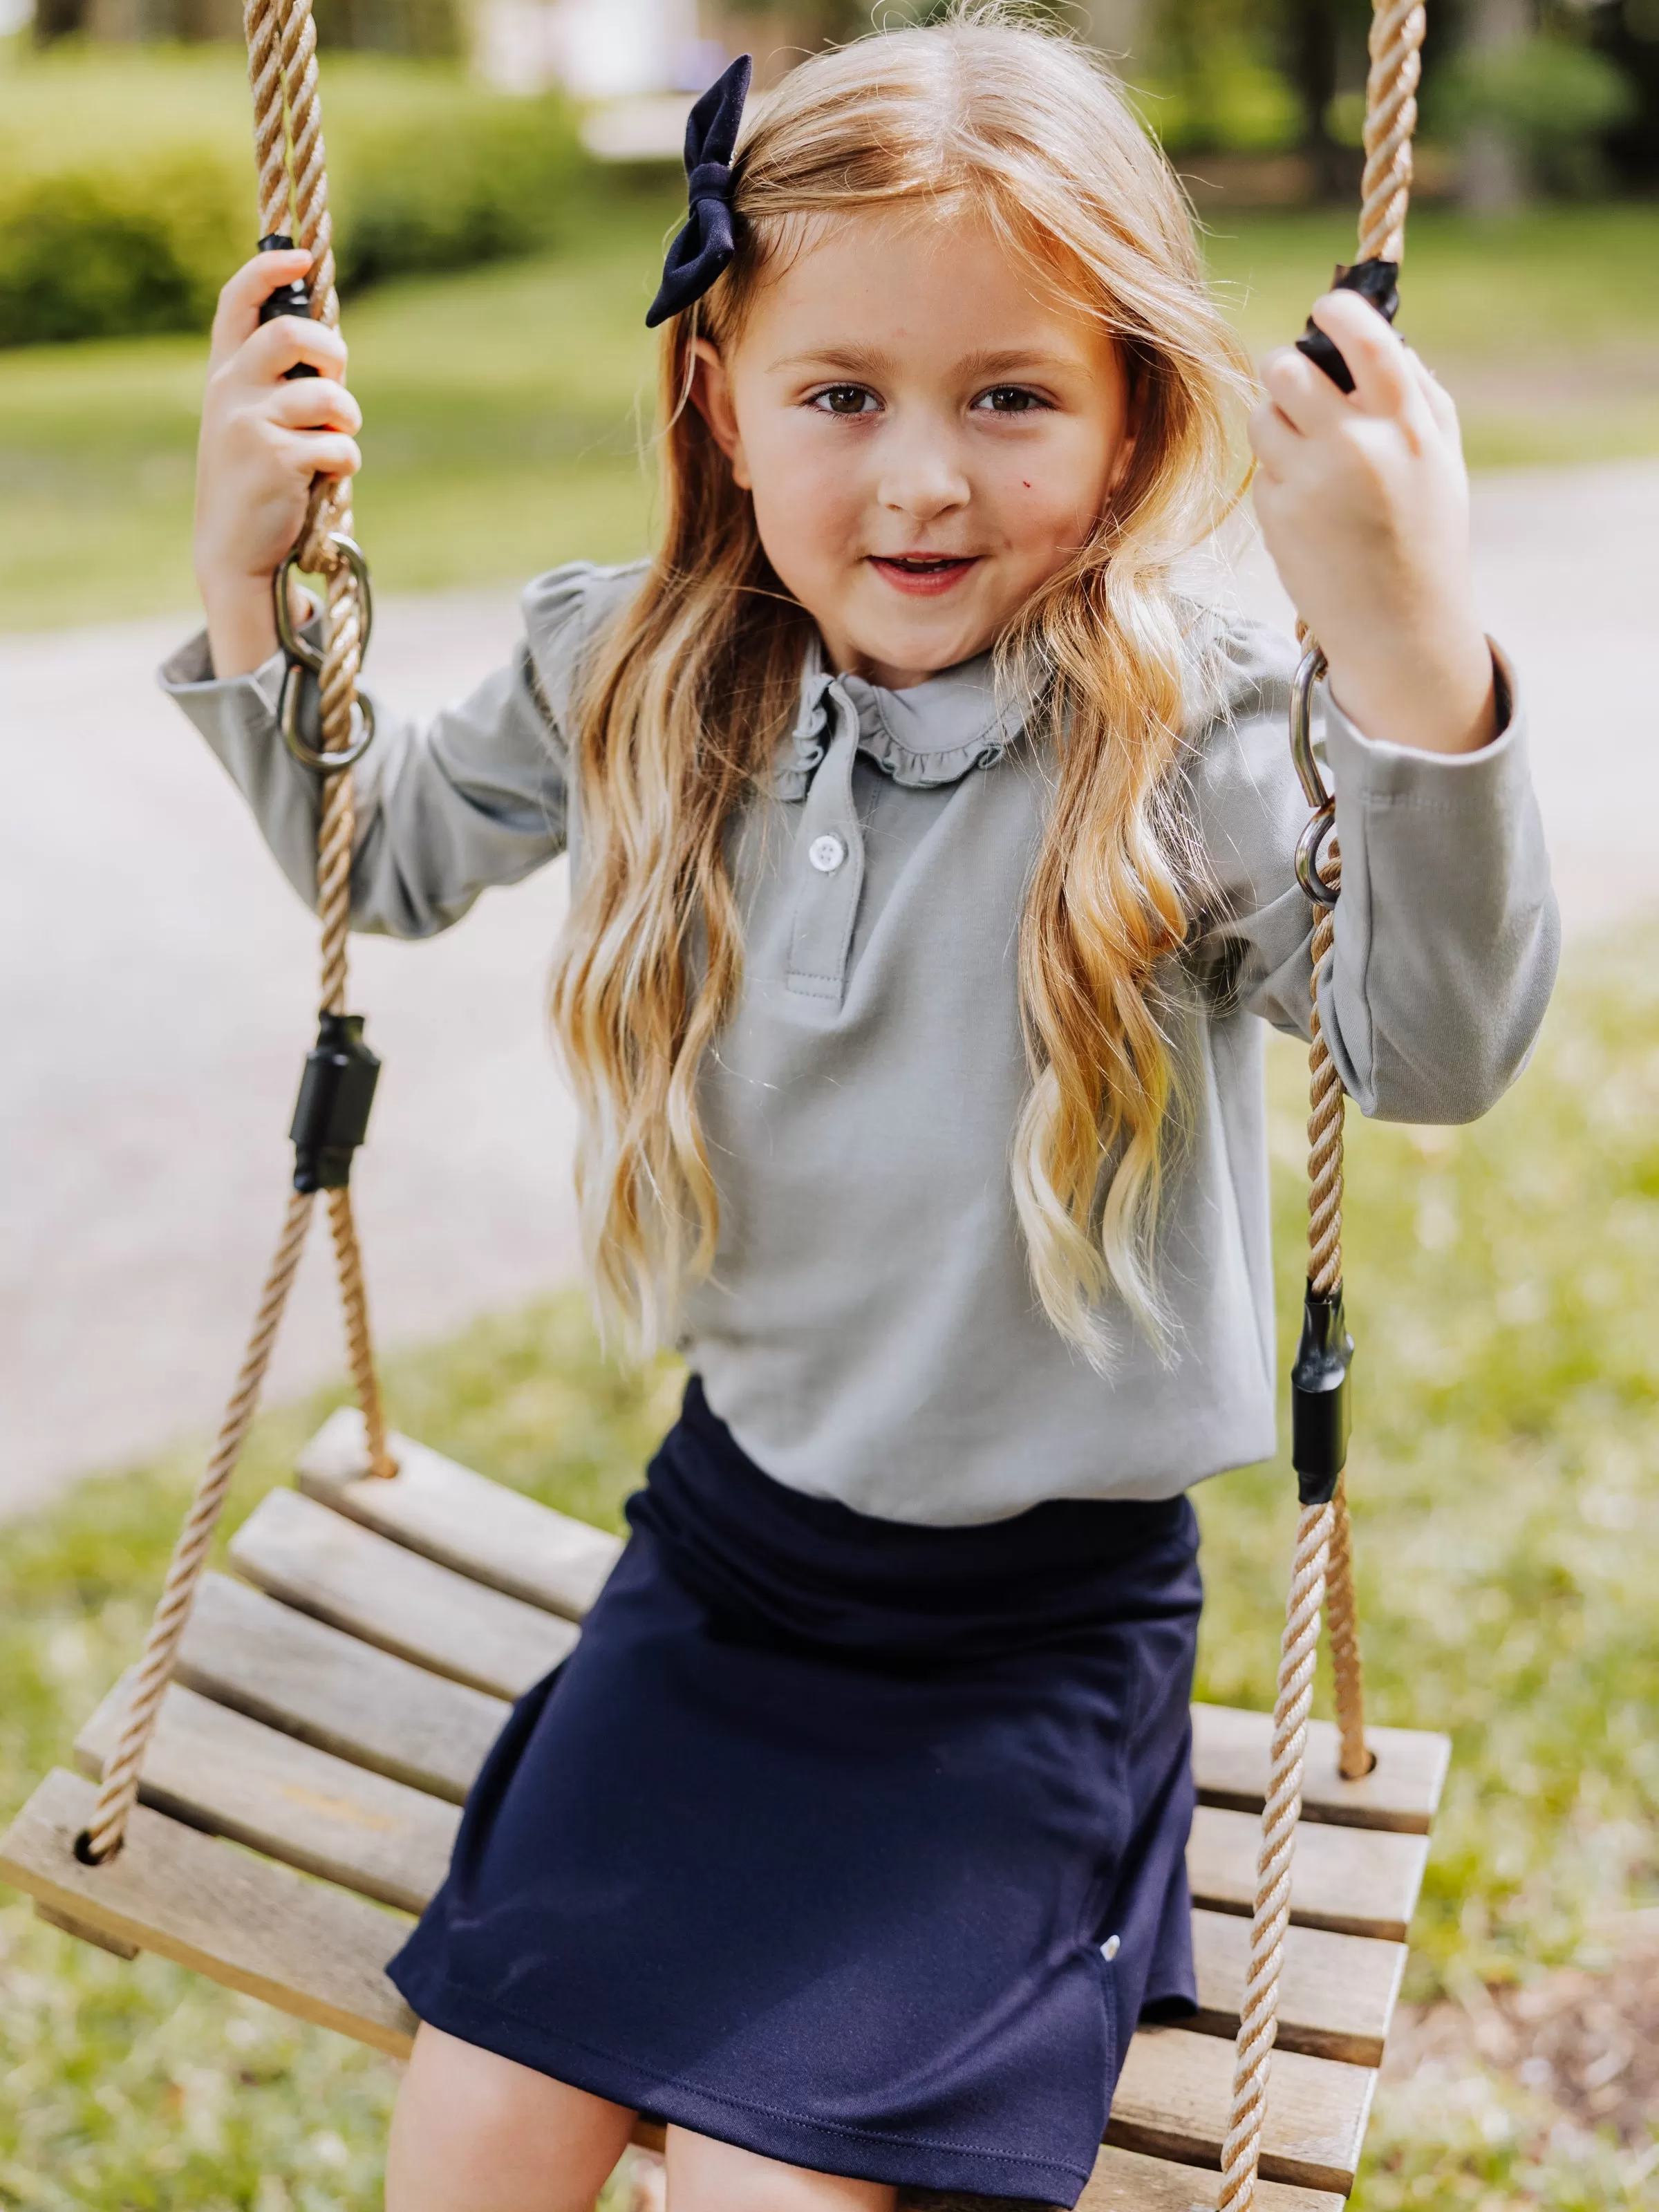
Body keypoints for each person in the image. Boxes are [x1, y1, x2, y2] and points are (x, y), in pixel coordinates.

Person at [167, 12, 1557, 2210]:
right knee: (472, 2130)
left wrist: (1407, 649)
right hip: (724, 1573)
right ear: (722, 400)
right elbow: (394, 853)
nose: (920, 480)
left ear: (1128, 428)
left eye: (1010, 397)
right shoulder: (628, 664)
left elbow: (1438, 1050)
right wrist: (253, 568)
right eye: (842, 395)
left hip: (1030, 1651)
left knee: (763, 2181)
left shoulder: (1193, 747)